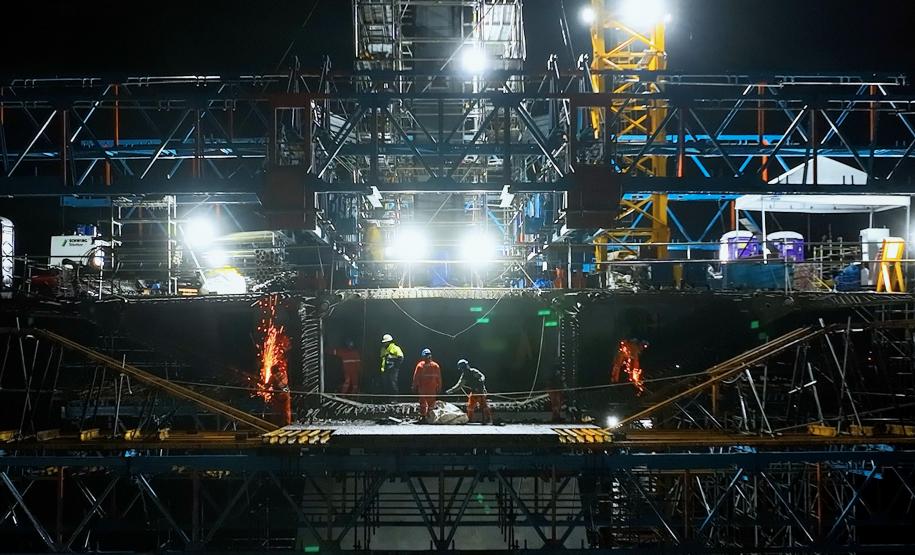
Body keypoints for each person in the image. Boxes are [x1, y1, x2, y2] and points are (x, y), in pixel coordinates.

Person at [446, 359, 492, 424]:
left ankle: (488, 419)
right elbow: (459, 385)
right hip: (473, 392)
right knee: (470, 406)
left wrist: (481, 379)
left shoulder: (473, 371)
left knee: (484, 406)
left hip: (481, 391)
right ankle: (470, 419)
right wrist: (451, 390)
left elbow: (482, 376)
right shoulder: (464, 375)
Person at [412, 348, 442, 420]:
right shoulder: (435, 366)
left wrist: (414, 386)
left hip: (426, 388)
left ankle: (426, 417)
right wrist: (439, 387)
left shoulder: (421, 365)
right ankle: (427, 417)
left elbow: (416, 377)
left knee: (427, 404)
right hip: (429, 388)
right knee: (427, 403)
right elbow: (439, 378)